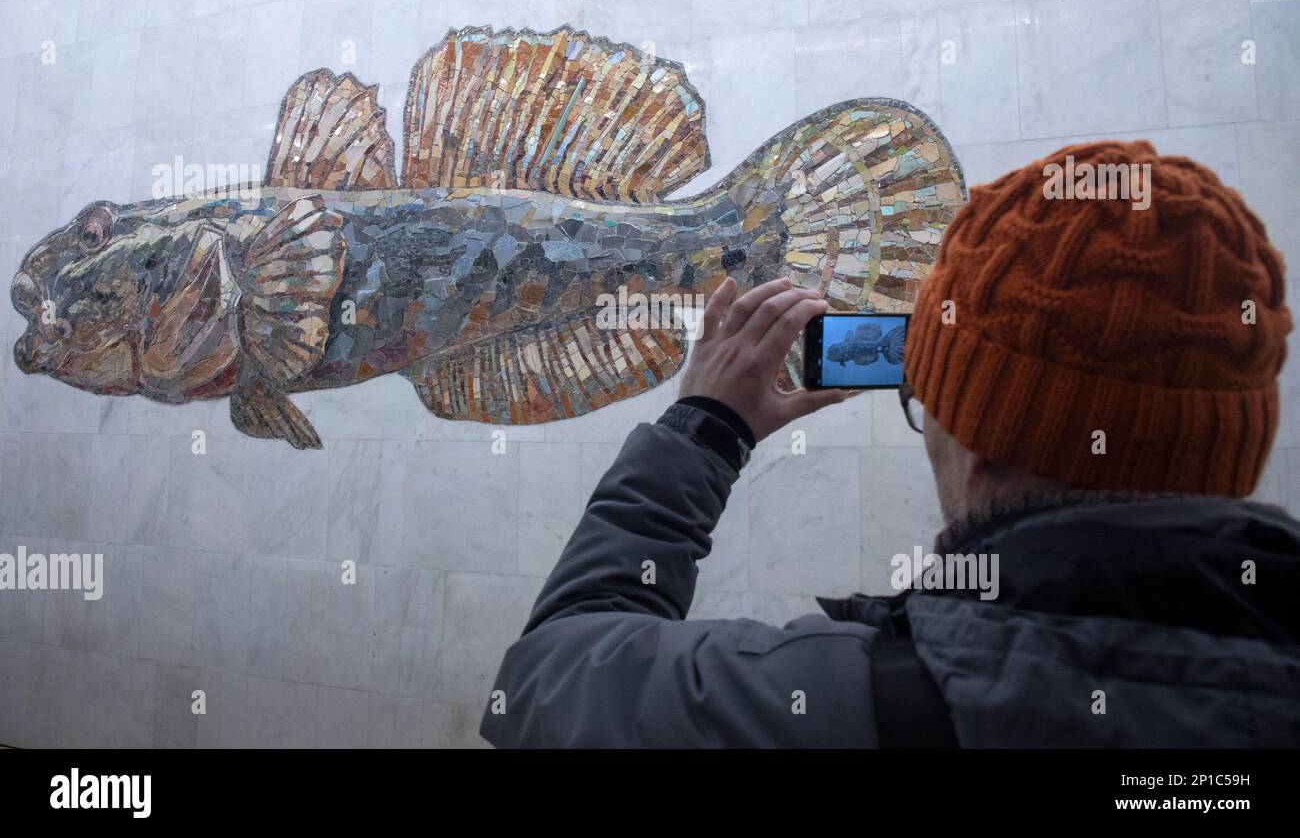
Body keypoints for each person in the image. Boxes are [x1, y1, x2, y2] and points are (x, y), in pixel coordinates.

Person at [480, 141, 1300, 748]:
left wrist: (704, 431)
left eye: (926, 397)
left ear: (976, 440)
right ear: (1231, 450)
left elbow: (546, 681)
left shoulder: (843, 708)